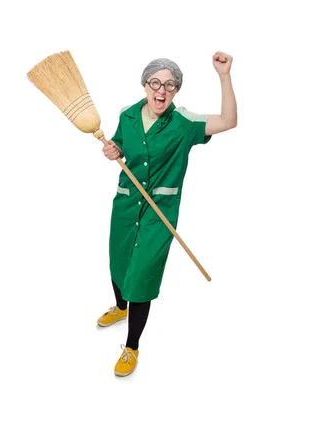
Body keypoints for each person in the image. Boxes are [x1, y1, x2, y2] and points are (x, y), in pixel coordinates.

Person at [98, 52, 237, 377]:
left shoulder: (184, 123)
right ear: (145, 85)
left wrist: (224, 76)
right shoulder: (127, 115)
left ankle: (131, 346)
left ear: (176, 91)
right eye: (156, 83)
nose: (161, 91)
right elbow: (120, 146)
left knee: (142, 276)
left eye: (170, 85)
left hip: (158, 216)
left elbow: (229, 121)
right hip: (125, 206)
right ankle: (120, 309)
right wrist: (113, 151)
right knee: (118, 262)